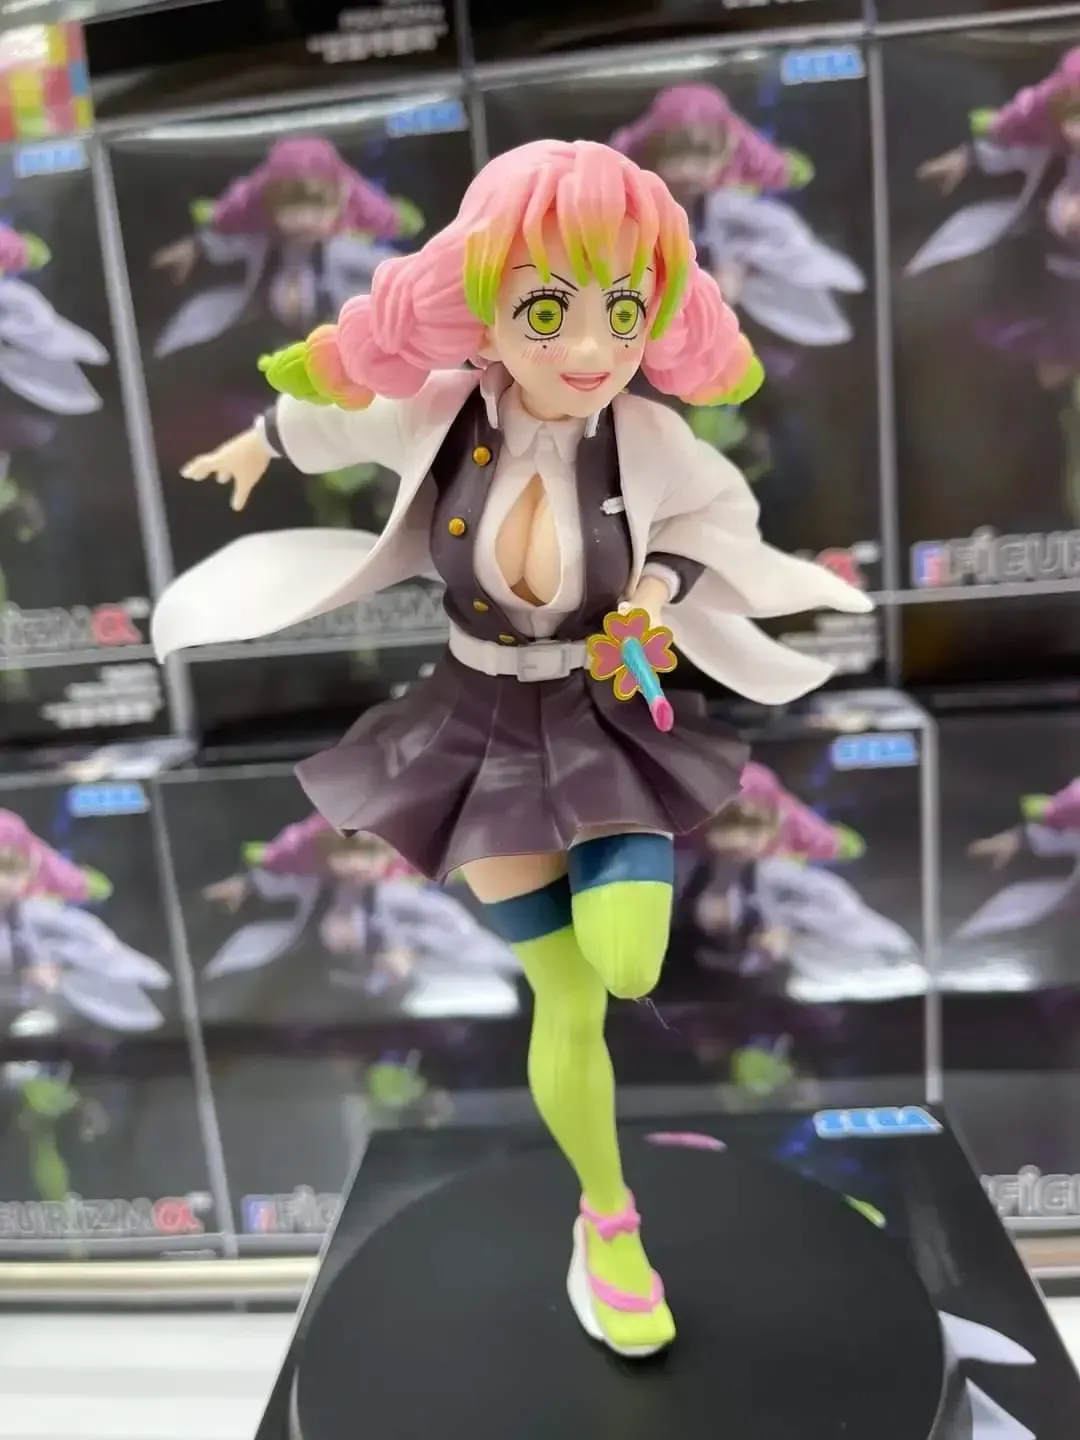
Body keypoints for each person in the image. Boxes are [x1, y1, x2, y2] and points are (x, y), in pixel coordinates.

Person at [152, 138, 871, 1358]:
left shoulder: (648, 441)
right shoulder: (436, 411)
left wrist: (653, 589)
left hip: (602, 720)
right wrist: (260, 440)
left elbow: (713, 524)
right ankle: (608, 1220)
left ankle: (612, 1185)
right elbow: (328, 414)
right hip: (474, 730)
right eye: (548, 310)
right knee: (567, 998)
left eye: (623, 312)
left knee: (629, 960)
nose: (590, 347)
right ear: (479, 302)